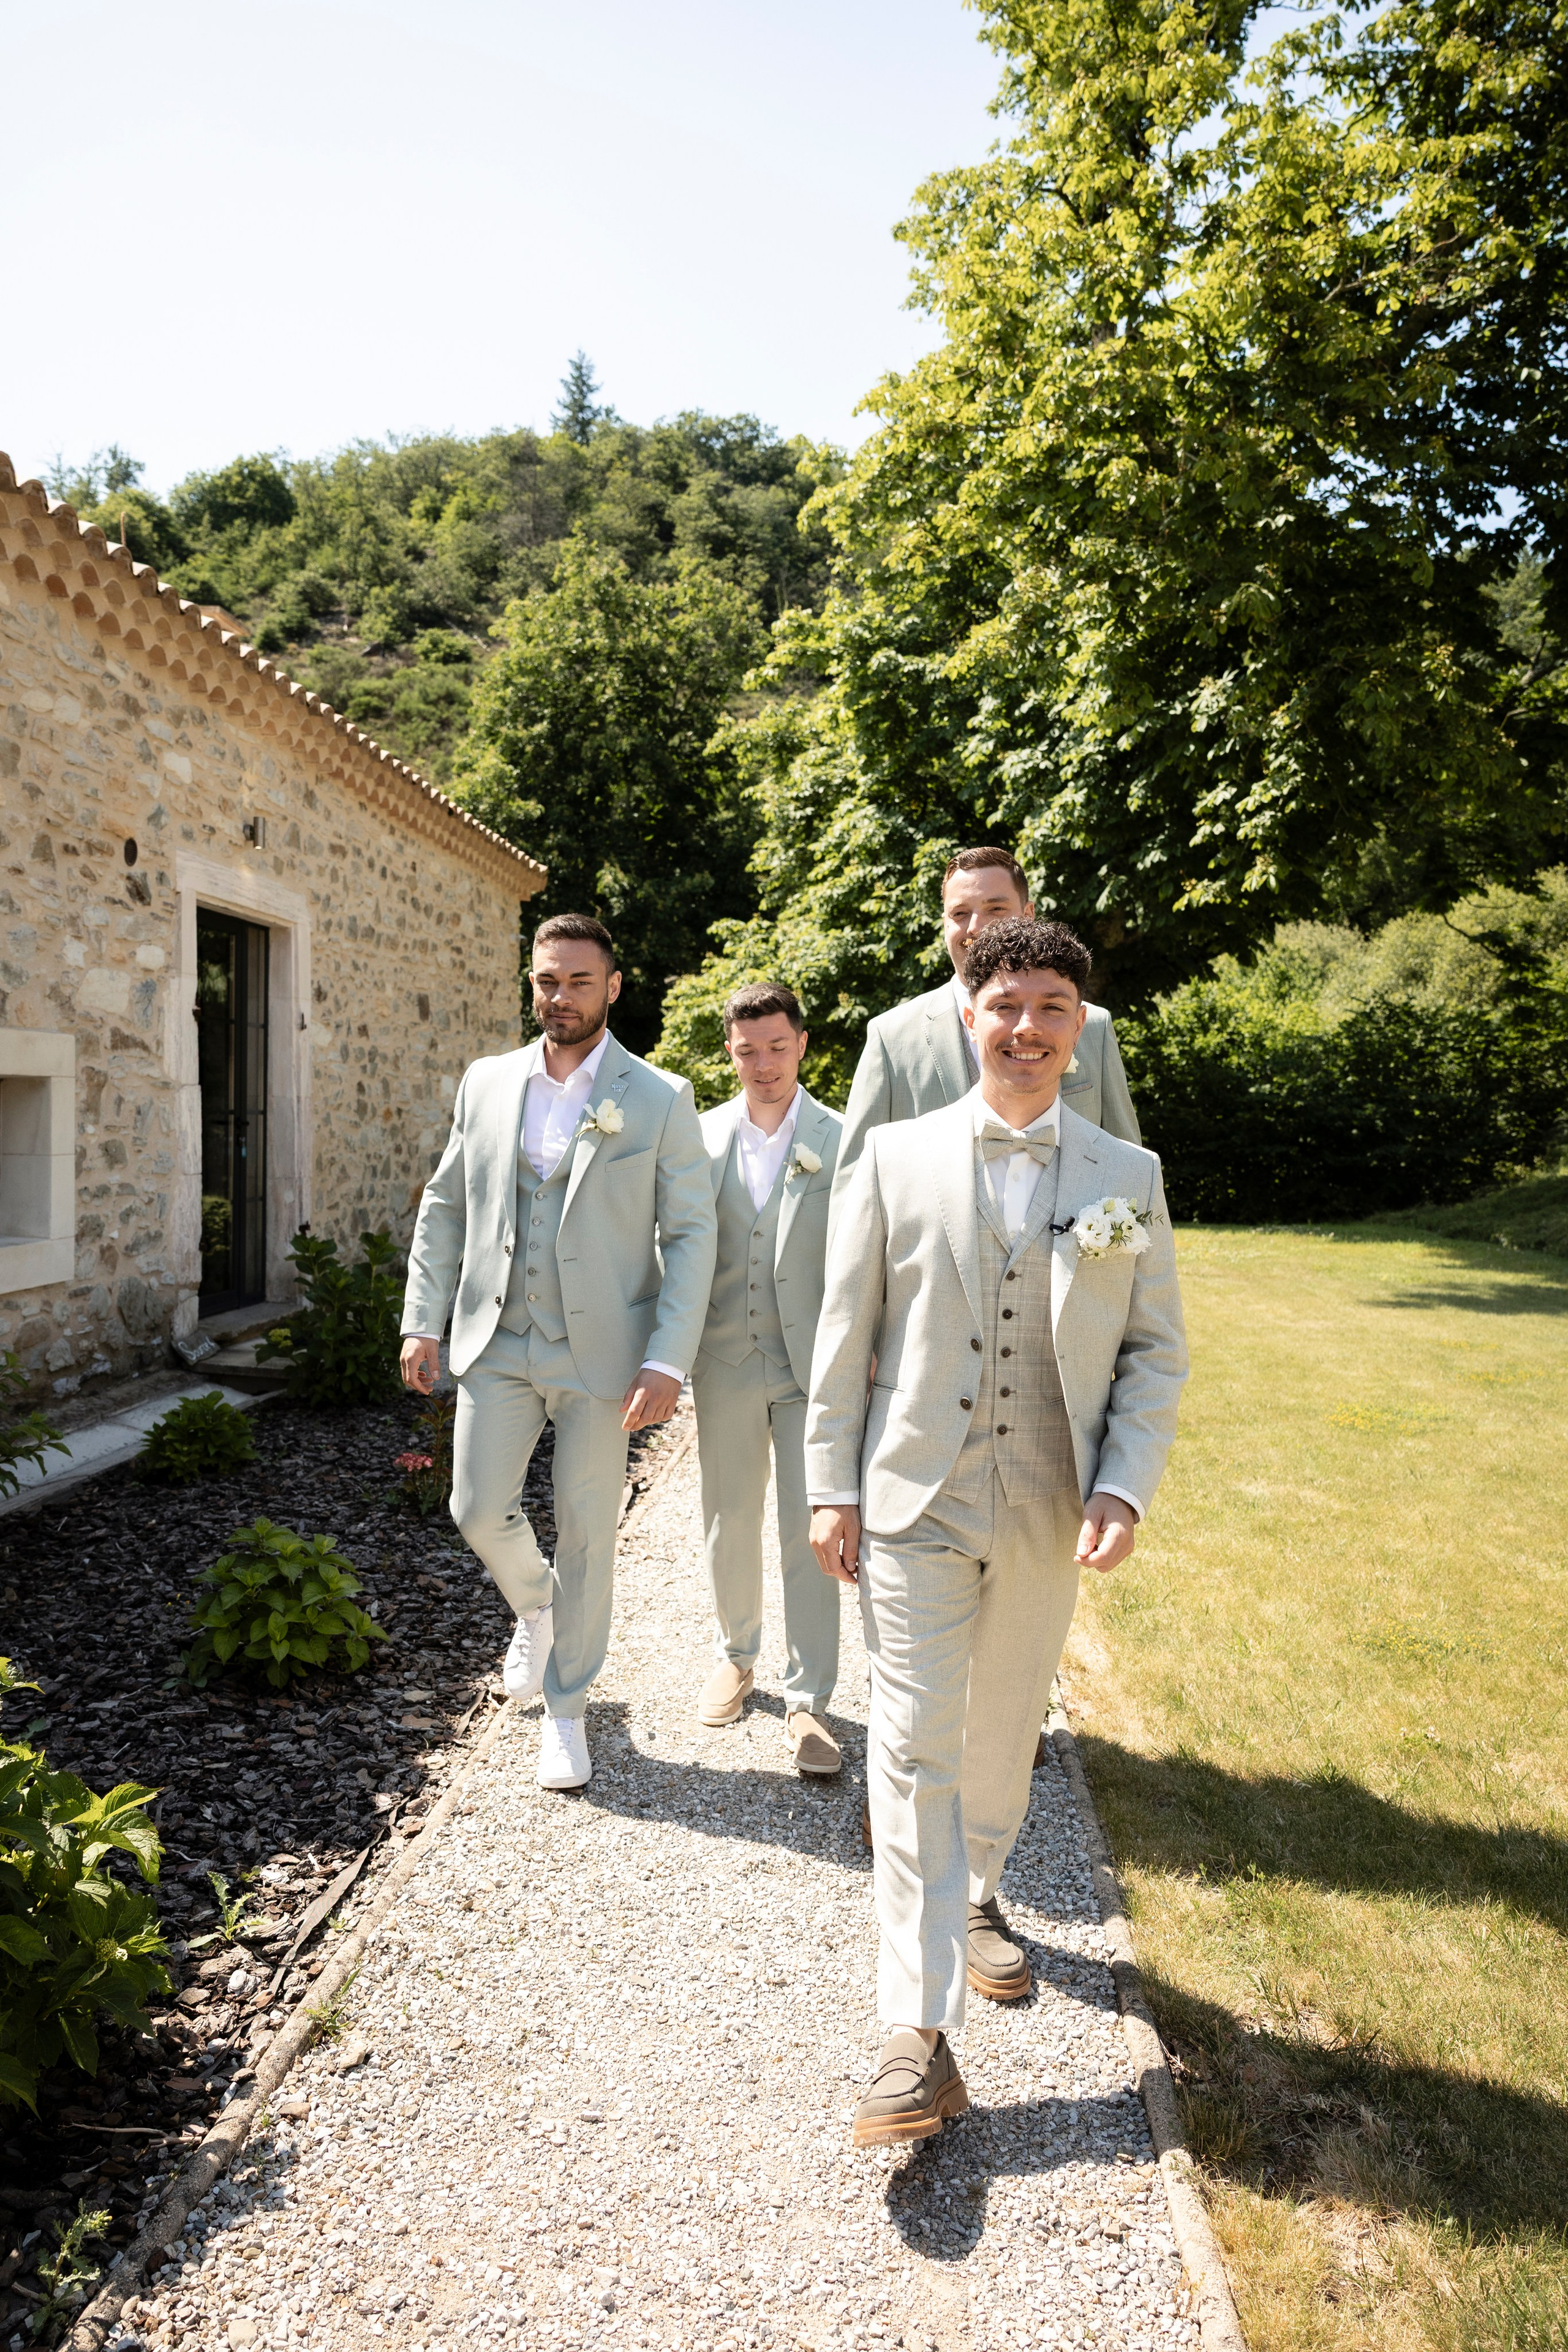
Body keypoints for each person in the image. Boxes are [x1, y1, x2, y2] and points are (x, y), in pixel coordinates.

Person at [806, 916, 1187, 2147]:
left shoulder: (1122, 1181)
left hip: (1044, 1503)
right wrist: (830, 1483)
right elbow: (841, 1337)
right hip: (913, 1499)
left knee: (999, 1731)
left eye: (1049, 1011)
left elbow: (1151, 1351)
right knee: (909, 1743)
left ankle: (973, 1895)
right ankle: (913, 2037)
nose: (1023, 1028)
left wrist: (1121, 1487)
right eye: (1004, 1005)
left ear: (1077, 1034)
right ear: (967, 1016)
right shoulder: (892, 1161)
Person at [399, 913, 717, 1793]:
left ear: (613, 988)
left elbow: (691, 1235)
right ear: (530, 982)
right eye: (547, 980)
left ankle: (568, 1712)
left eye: (579, 981)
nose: (560, 996)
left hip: (606, 1356)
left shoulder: (659, 1097)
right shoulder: (488, 1082)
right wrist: (420, 1319)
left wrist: (667, 1359)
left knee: (587, 1534)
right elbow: (447, 1207)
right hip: (499, 1337)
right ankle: (536, 1607)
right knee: (474, 1505)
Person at [692, 983, 845, 1773]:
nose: (763, 1064)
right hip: (722, 1360)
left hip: (813, 1367)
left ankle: (809, 1697)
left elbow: (865, 1259)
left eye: (777, 1047)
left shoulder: (843, 1139)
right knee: (727, 1517)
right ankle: (736, 1654)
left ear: (802, 1045)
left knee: (808, 1529)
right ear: (730, 1050)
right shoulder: (698, 1135)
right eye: (747, 1050)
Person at [831, 848, 1139, 1209]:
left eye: (996, 909)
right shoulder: (891, 1037)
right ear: (944, 923)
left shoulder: (1094, 1027)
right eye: (960, 913)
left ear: (1028, 915)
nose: (977, 928)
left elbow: (1126, 1159)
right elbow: (855, 1181)